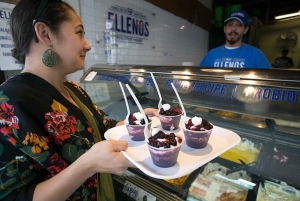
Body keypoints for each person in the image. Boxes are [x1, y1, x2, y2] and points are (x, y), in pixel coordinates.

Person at [0, 1, 157, 201]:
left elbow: (99, 127)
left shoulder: (72, 89)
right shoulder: (9, 104)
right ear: (45, 34)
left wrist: (134, 123)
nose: (87, 45)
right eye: (79, 33)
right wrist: (88, 165)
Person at [199, 10, 271, 68]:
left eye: (239, 25)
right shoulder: (211, 54)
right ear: (225, 29)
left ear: (245, 29)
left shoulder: (256, 55)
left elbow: (268, 82)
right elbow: (199, 79)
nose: (233, 28)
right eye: (230, 25)